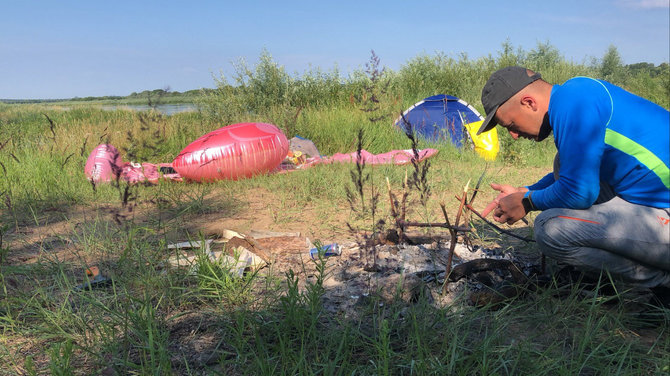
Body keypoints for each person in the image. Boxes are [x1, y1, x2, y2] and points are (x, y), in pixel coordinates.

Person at [477, 66, 670, 290]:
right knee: (563, 162)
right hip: (654, 205)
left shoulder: (574, 102)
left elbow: (579, 192)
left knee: (550, 229)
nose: (514, 135)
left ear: (529, 103)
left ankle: (663, 283)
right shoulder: (578, 94)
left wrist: (528, 201)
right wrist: (524, 191)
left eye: (510, 125)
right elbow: (577, 171)